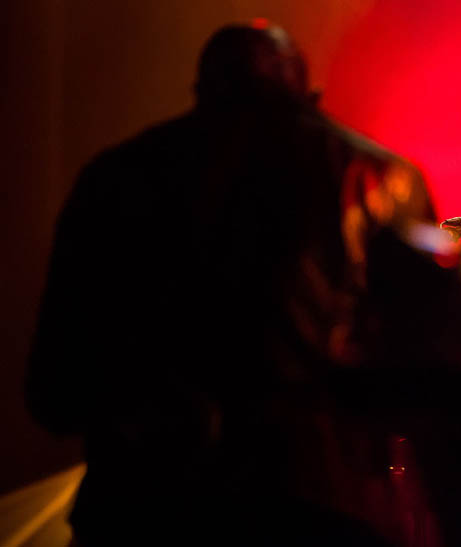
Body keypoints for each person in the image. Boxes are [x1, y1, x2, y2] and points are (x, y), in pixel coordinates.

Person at [26, 23, 435, 545]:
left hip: (141, 507)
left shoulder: (113, 177)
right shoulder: (383, 178)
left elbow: (53, 391)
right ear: (307, 94)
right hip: (320, 509)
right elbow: (419, 376)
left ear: (202, 90)